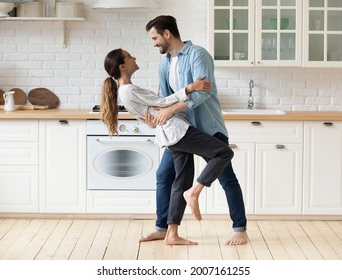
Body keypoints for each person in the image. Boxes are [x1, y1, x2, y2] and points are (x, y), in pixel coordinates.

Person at [101, 48, 234, 245]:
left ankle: (171, 234)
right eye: (130, 56)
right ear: (122, 66)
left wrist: (153, 118)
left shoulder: (126, 91)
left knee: (180, 181)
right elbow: (163, 102)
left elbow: (149, 116)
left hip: (170, 134)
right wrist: (191, 87)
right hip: (178, 131)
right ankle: (195, 191)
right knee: (224, 152)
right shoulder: (128, 90)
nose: (134, 57)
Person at [140, 15, 248, 246]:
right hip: (181, 132)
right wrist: (158, 114)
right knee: (164, 175)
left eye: (155, 37)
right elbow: (165, 97)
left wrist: (171, 110)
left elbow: (203, 92)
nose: (154, 43)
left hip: (207, 128)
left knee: (227, 179)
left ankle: (240, 229)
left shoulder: (198, 55)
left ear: (167, 33)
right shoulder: (164, 63)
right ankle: (162, 228)